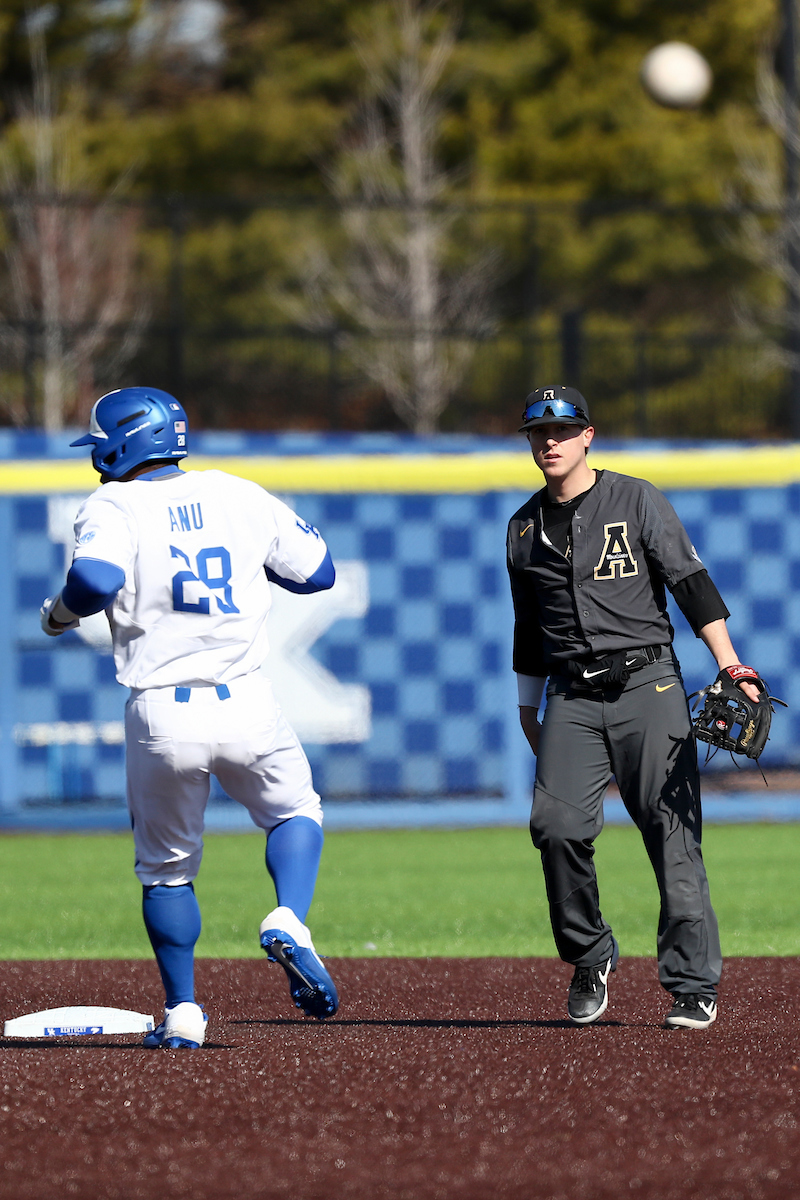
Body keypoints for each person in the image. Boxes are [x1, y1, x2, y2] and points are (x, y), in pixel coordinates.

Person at [41, 387, 339, 1049]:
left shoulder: (114, 502)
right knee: (296, 811)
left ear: (122, 444)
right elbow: (319, 574)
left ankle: (183, 1013)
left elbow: (92, 582)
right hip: (246, 698)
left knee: (167, 871)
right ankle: (289, 915)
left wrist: (58, 615)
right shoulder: (238, 492)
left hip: (162, 711)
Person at [507, 384, 762, 1030]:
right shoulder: (522, 528)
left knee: (673, 835)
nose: (551, 442)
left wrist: (730, 664)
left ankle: (691, 982)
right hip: (569, 694)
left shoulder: (636, 499)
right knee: (555, 826)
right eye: (539, 433)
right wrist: (525, 707)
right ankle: (591, 955)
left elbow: (690, 582)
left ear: (589, 435)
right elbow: (527, 627)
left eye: (563, 430)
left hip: (648, 686)